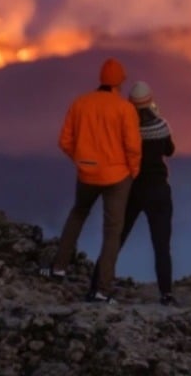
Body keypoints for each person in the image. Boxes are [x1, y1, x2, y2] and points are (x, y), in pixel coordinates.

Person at [42, 57, 142, 304]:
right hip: (117, 175)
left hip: (86, 173)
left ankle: (59, 267)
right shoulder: (124, 109)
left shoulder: (80, 103)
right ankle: (102, 291)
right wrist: (133, 171)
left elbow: (64, 141)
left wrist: (82, 160)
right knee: (112, 232)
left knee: (78, 214)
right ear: (119, 81)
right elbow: (132, 146)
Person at [91, 80, 177, 305]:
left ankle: (96, 287)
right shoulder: (160, 126)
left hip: (132, 190)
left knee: (116, 239)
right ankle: (166, 294)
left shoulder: (125, 129)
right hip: (159, 190)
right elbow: (170, 150)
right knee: (161, 245)